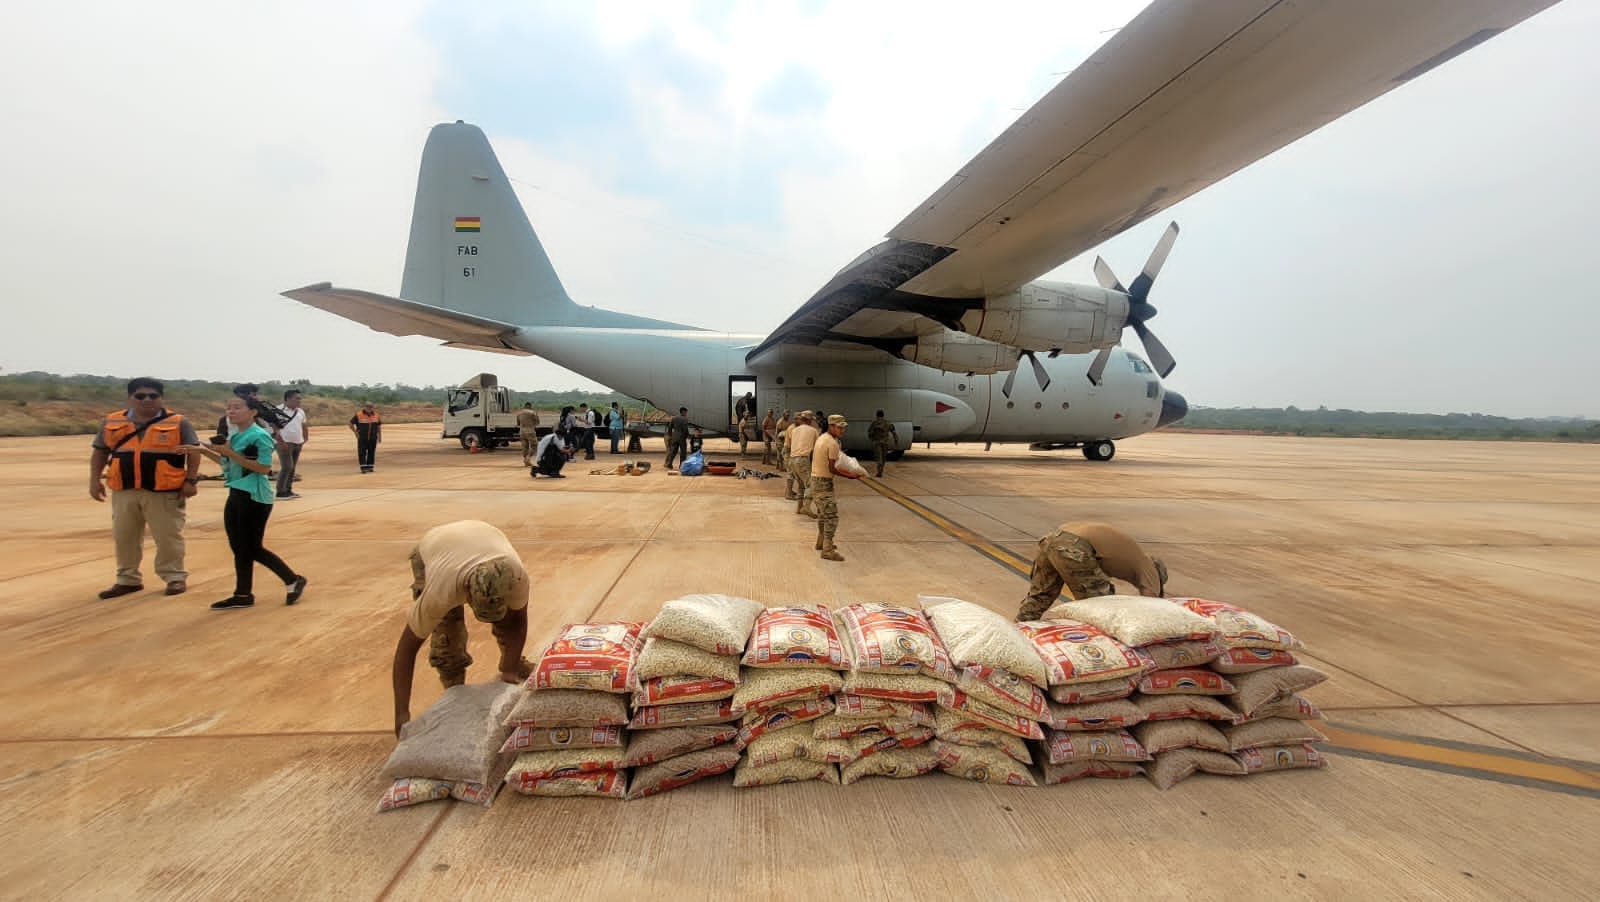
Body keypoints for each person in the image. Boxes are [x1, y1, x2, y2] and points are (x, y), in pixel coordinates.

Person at [391, 520, 531, 736]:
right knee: (447, 636)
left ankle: (512, 662)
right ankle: (454, 695)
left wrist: (509, 671)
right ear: (467, 593)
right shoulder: (440, 591)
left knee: (507, 621)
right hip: (436, 548)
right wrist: (401, 713)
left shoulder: (517, 576)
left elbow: (519, 623)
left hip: (480, 536)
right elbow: (406, 650)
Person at [189, 396, 307, 610]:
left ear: (253, 412)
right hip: (237, 492)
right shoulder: (236, 435)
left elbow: (263, 468)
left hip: (254, 496)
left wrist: (228, 452)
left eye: (237, 408)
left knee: (251, 547)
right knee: (238, 547)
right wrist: (204, 451)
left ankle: (292, 579)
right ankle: (243, 594)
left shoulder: (259, 436)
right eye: (228, 408)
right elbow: (229, 463)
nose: (231, 412)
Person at [89, 378, 202, 598]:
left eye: (153, 396)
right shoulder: (111, 421)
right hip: (125, 490)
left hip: (163, 491)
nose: (147, 400)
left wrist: (190, 481)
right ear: (130, 398)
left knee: (168, 536)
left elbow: (194, 452)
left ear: (161, 398)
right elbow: (100, 452)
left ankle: (174, 577)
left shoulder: (178, 422)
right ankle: (127, 579)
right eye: (140, 396)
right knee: (125, 536)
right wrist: (94, 480)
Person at [1016, 522, 1170, 621]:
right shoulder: (1149, 569)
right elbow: (1151, 607)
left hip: (1054, 537)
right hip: (1074, 545)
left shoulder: (1134, 556)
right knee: (1101, 603)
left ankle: (1019, 630)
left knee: (1041, 595)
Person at [811, 414, 863, 561]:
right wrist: (850, 475)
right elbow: (832, 468)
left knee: (822, 514)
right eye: (839, 428)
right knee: (832, 517)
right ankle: (827, 550)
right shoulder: (832, 443)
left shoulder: (822, 438)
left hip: (815, 479)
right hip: (823, 483)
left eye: (844, 428)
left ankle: (821, 542)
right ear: (832, 426)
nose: (842, 431)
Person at [275, 389, 308, 500]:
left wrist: (305, 437)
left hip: (297, 442)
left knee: (292, 468)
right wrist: (280, 441)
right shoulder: (278, 410)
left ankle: (288, 490)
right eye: (297, 398)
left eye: (300, 398)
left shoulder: (300, 411)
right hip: (284, 442)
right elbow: (273, 427)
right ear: (288, 399)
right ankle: (280, 491)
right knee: (287, 466)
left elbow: (303, 425)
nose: (299, 401)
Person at [788, 411, 819, 518]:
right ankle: (806, 507)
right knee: (811, 484)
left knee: (801, 485)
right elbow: (817, 448)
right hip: (802, 459)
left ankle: (799, 508)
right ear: (810, 420)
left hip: (792, 460)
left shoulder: (794, 430)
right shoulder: (813, 431)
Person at [349, 401, 381, 472]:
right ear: (364, 407)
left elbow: (378, 426)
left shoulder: (376, 415)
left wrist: (379, 436)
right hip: (362, 438)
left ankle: (370, 467)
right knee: (362, 452)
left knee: (371, 452)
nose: (369, 408)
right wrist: (355, 432)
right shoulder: (358, 415)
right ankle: (363, 467)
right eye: (367, 406)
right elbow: (350, 424)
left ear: (372, 407)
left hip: (373, 438)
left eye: (370, 407)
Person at [867, 409, 896, 478]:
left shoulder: (874, 423)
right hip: (885, 443)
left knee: (879, 458)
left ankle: (879, 472)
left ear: (877, 415)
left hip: (877, 443)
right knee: (883, 458)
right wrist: (896, 441)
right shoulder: (887, 423)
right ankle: (881, 471)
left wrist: (872, 439)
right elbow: (894, 432)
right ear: (883, 415)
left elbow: (870, 433)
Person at [734, 391, 754, 457]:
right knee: (743, 443)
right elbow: (745, 409)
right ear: (748, 395)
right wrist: (742, 416)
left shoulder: (743, 399)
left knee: (744, 443)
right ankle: (743, 454)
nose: (750, 397)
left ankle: (744, 453)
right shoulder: (744, 401)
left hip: (741, 415)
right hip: (741, 416)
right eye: (750, 396)